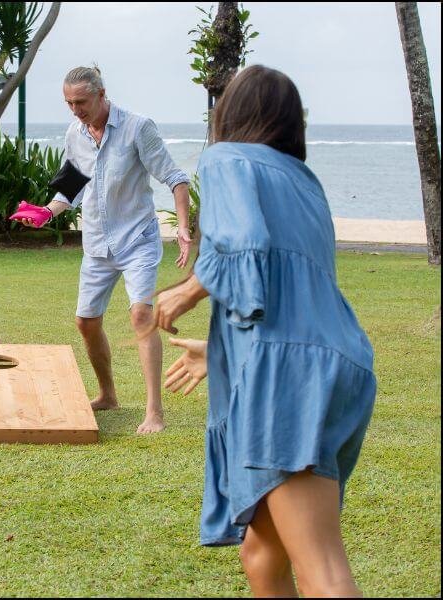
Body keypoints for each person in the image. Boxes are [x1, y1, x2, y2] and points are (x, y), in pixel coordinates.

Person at [154, 65, 376, 596]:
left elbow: (244, 243)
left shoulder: (225, 158)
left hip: (291, 376)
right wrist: (220, 351)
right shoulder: (304, 182)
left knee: (321, 563)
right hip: (337, 364)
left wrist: (187, 290)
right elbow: (289, 290)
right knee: (261, 556)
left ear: (229, 114)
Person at [19, 66, 192, 434]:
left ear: (101, 93)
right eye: (68, 103)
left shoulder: (137, 127)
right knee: (86, 322)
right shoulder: (75, 133)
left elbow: (176, 180)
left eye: (81, 102)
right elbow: (70, 186)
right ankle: (108, 395)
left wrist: (182, 227)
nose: (75, 110)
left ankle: (154, 411)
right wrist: (45, 213)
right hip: (97, 243)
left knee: (141, 315)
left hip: (137, 240)